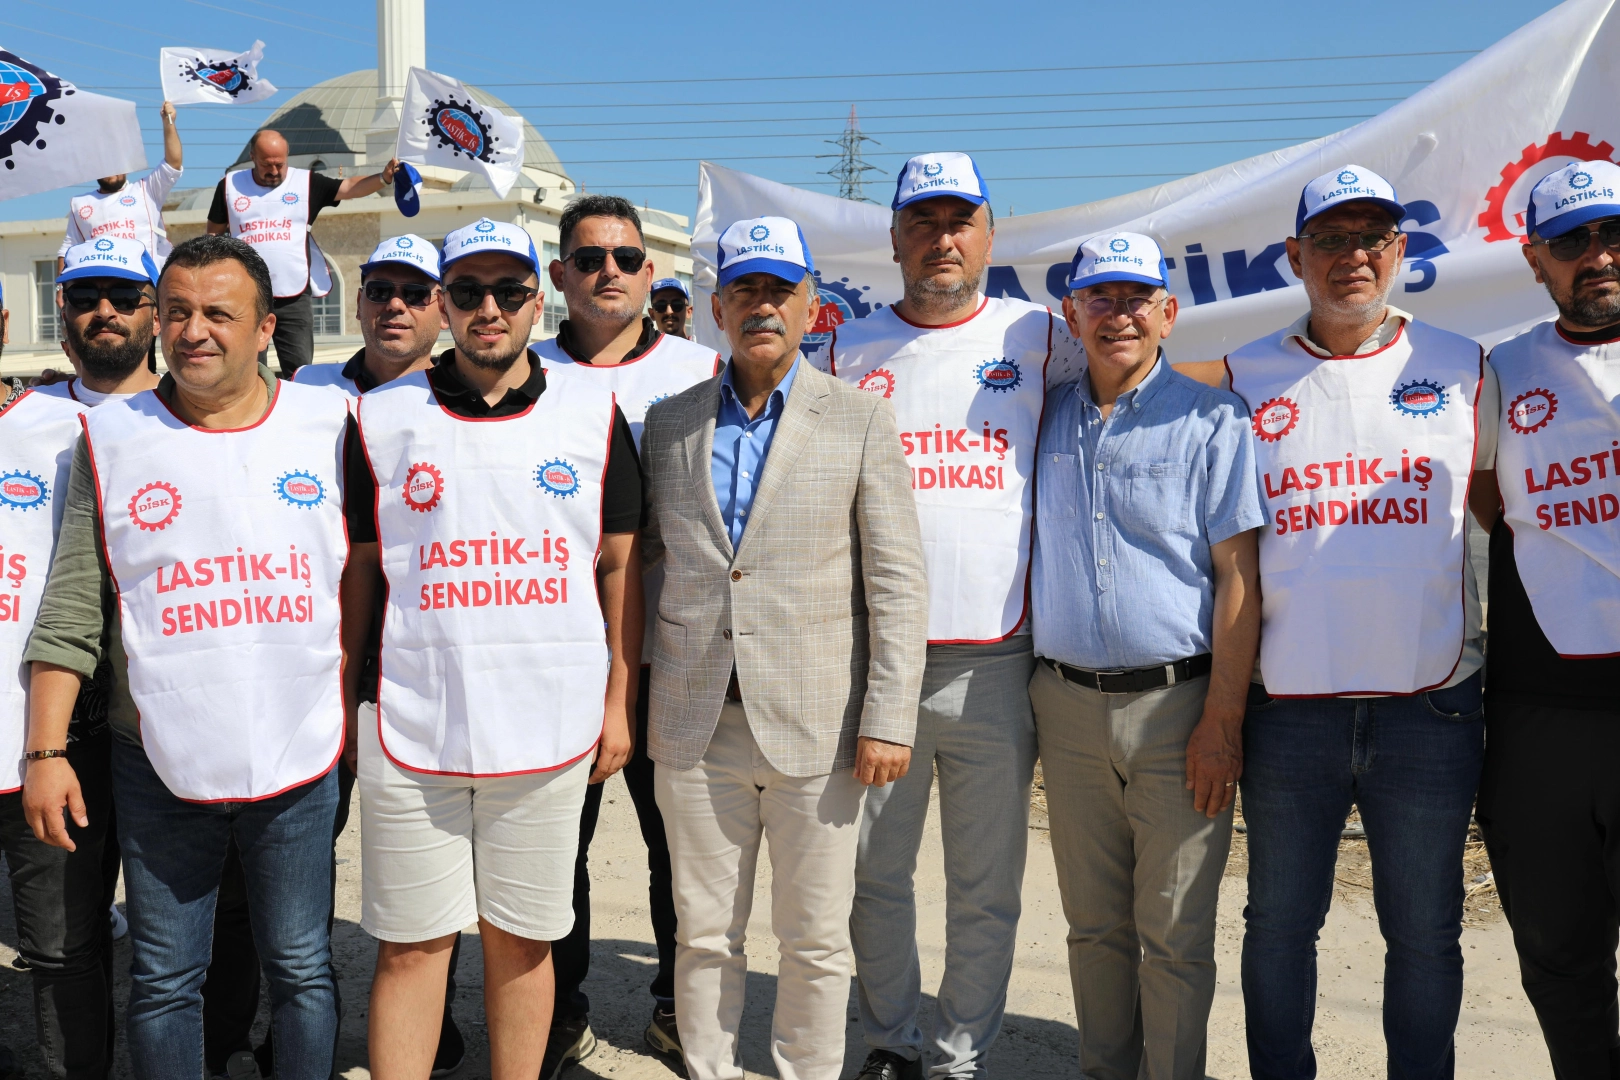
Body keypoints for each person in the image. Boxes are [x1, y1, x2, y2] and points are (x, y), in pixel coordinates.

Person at [22, 234, 355, 1080]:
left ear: (265, 326)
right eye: (176, 312)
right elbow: (72, 606)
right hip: (155, 760)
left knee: (303, 971)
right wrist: (46, 751)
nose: (192, 331)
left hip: (301, 758)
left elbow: (368, 578)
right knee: (166, 979)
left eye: (217, 313)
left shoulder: (330, 424)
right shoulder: (114, 436)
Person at [348, 217, 643, 1080]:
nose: (489, 309)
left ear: (536, 298)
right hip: (411, 721)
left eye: (508, 291)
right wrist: (344, 698)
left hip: (548, 725)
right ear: (441, 302)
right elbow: (363, 570)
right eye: (468, 291)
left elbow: (620, 564)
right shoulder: (378, 417)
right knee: (411, 945)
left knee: (521, 944)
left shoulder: (593, 413)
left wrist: (619, 698)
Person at [1218, 166, 1491, 1080]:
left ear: (1401, 252)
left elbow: (1511, 509)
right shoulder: (1245, 374)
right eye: (1331, 239)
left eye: (1374, 237)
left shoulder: (1464, 364)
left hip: (1430, 704)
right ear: (1294, 256)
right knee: (1279, 927)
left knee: (1424, 935)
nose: (1354, 256)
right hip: (1290, 709)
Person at [640, 215, 928, 1080]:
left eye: (781, 291)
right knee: (702, 933)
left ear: (811, 307)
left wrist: (888, 717)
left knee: (813, 937)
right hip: (695, 725)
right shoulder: (669, 422)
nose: (763, 306)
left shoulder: (860, 421)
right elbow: (649, 561)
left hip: (820, 726)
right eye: (746, 291)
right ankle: (712, 1069)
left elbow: (897, 583)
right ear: (719, 307)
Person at [826, 151, 1080, 1080]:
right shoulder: (842, 348)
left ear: (988, 232)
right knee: (872, 877)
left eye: (958, 220)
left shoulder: (1040, 333)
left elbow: (1155, 359)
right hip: (875, 669)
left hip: (995, 665)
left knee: (986, 887)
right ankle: (891, 1041)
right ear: (894, 238)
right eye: (923, 223)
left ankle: (960, 1055)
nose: (942, 239)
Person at [201, 233, 459, 1080]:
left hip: (424, 680)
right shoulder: (309, 394)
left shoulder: (471, 401)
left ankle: (431, 1025)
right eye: (378, 288)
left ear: (442, 307)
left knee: (422, 872)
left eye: (415, 291)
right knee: (271, 876)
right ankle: (243, 1024)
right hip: (309, 679)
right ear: (355, 303)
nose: (394, 304)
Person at [1030, 232, 1263, 1080]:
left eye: (1137, 299)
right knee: (1093, 927)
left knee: (1173, 934)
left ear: (1168, 314)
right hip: (1064, 705)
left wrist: (1222, 721)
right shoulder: (1042, 412)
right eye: (1101, 297)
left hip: (1179, 710)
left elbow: (1239, 576)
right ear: (1072, 314)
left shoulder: (1212, 419)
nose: (1118, 314)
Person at [535, 195, 720, 1077]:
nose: (607, 268)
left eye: (625, 255)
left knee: (681, 849)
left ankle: (680, 1009)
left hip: (677, 660)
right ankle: (557, 1008)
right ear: (559, 275)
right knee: (551, 852)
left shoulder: (701, 371)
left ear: (652, 273)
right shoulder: (524, 372)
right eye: (588, 255)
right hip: (558, 664)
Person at [0, 241, 166, 1080]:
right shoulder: (35, 415)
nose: (102, 310)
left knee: (69, 950)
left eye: (122, 294)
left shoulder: (150, 426)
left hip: (78, 735)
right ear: (55, 313)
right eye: (83, 295)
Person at [1471, 159, 1620, 1078]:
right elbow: (1488, 497)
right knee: (1558, 953)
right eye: (1572, 241)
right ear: (1537, 261)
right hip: (1541, 717)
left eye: (1612, 233)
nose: (1597, 255)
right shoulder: (1502, 370)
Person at [206, 129, 397, 378]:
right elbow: (212, 235)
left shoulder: (305, 183)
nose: (274, 171)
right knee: (248, 368)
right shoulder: (230, 187)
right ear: (252, 156)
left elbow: (348, 187)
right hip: (245, 296)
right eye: (266, 164)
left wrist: (383, 178)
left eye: (280, 164)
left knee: (299, 369)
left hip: (293, 296)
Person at [57, 102, 183, 274]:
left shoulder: (147, 189)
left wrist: (169, 122)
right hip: (103, 284)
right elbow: (68, 248)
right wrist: (60, 287)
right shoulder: (80, 204)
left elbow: (173, 163)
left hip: (145, 279)